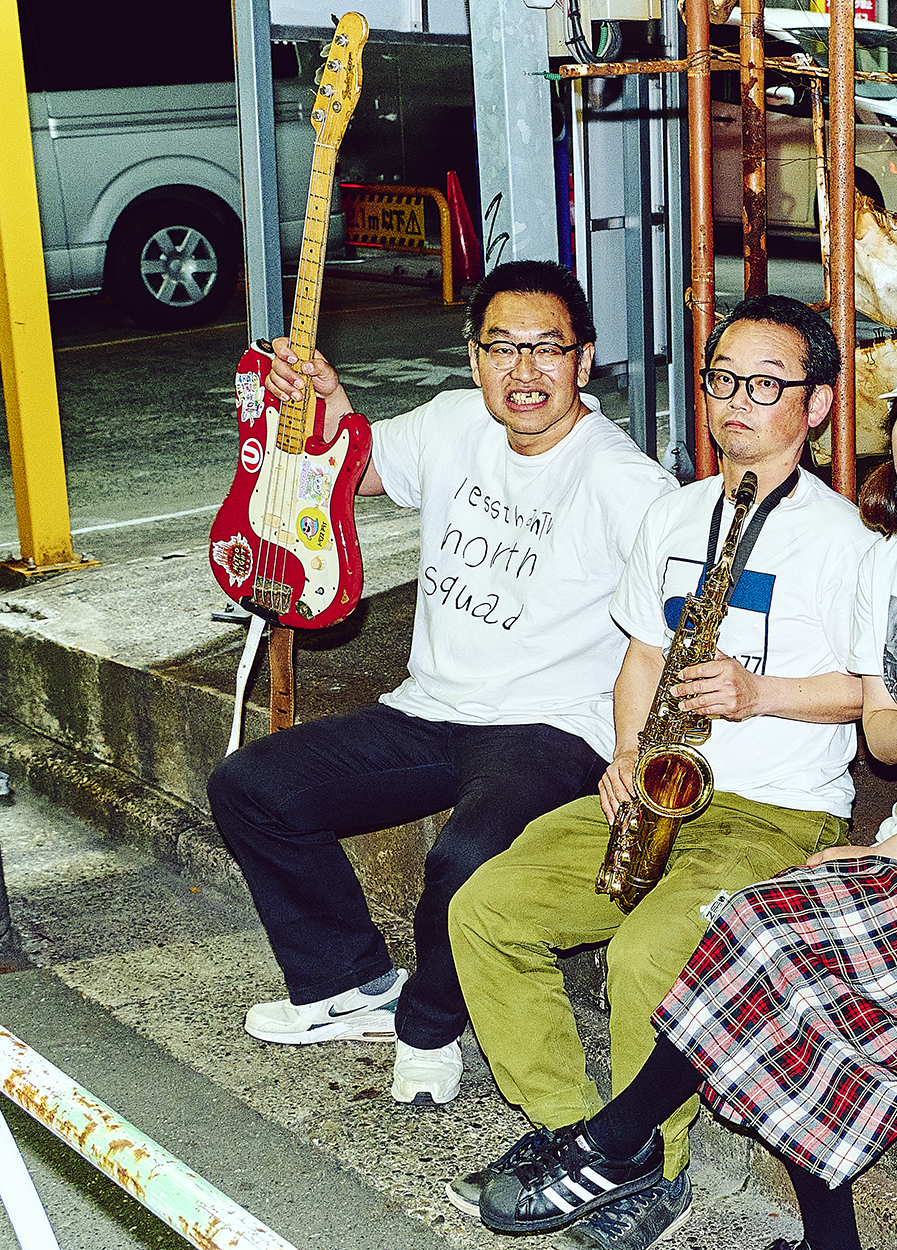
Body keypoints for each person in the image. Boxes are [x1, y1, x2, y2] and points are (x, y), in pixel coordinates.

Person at [458, 340, 897, 1250]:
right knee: (765, 973)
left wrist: (880, 854)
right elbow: (888, 746)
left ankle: (618, 1145)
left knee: (749, 946)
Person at [444, 293, 882, 1250]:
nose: (736, 402)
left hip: (777, 813)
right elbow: (642, 655)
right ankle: (586, 1139)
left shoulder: (848, 541)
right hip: (660, 786)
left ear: (815, 405)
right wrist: (628, 755)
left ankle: (660, 1172)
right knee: (488, 906)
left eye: (766, 384)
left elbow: (872, 694)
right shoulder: (675, 514)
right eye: (723, 379)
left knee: (650, 953)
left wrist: (761, 693)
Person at [207, 260, 678, 1108]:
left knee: (466, 857)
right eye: (502, 348)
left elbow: (676, 634)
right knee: (253, 786)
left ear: (584, 358)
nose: (524, 371)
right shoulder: (453, 421)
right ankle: (348, 985)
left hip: (550, 728)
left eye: (547, 349)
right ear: (473, 357)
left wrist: (637, 748)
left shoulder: (629, 485)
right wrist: (320, 405)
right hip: (428, 709)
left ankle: (427, 1027)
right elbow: (351, 469)